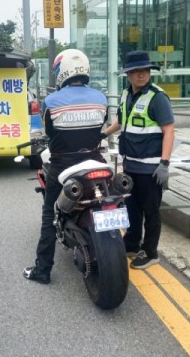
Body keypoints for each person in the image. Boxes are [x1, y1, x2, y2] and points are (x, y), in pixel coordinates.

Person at [23, 49, 108, 284]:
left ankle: (42, 270)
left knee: (50, 214)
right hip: (95, 161)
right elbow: (101, 125)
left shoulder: (51, 101)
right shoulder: (100, 98)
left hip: (63, 164)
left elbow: (49, 133)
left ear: (62, 71)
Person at [102, 50, 175, 270]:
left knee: (150, 212)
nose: (141, 75)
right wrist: (103, 134)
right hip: (131, 165)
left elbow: (169, 131)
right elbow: (120, 121)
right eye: (136, 72)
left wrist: (164, 164)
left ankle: (150, 252)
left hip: (151, 168)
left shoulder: (157, 97)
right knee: (132, 208)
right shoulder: (126, 95)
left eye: (145, 71)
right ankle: (132, 243)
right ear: (128, 74)